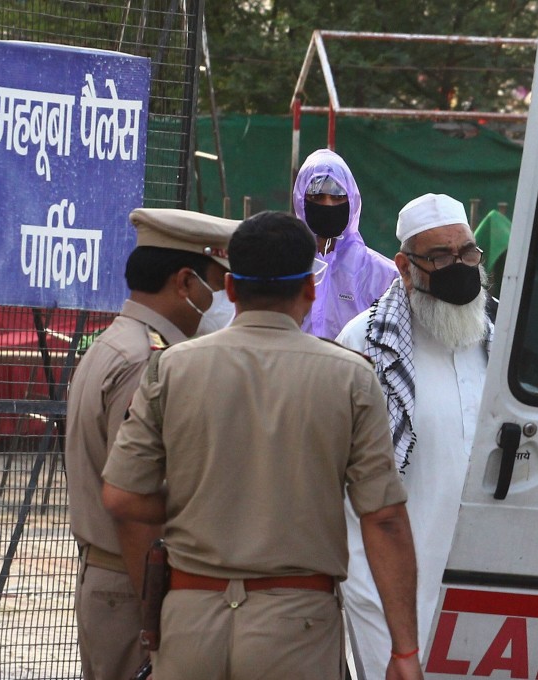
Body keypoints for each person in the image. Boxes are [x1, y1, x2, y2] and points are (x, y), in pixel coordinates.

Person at [100, 210, 424, 680]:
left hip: (190, 623)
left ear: (230, 289)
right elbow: (385, 518)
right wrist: (404, 651)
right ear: (310, 289)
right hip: (298, 628)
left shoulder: (171, 367)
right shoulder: (350, 377)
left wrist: (201, 503)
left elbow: (121, 497)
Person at [65, 207, 238, 680]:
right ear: (186, 282)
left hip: (116, 581)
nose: (228, 298)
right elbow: (133, 501)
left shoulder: (114, 344)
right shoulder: (148, 362)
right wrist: (156, 626)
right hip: (134, 586)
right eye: (219, 283)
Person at [336, 193, 493, 679]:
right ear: (405, 266)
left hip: (479, 578)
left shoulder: (497, 339)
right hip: (385, 583)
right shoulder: (365, 345)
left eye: (467, 253)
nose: (459, 266)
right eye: (440, 257)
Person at [293, 148, 398, 339]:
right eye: (317, 197)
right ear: (301, 200)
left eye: (337, 197)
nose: (328, 205)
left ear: (352, 201)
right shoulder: (284, 268)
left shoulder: (384, 275)